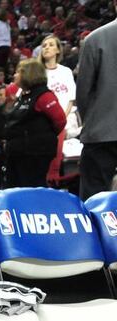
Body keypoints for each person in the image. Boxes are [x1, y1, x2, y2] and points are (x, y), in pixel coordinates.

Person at [3, 58, 66, 188]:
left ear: (29, 74)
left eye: (18, 72)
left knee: (30, 187)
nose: (15, 75)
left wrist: (43, 136)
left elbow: (60, 120)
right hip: (18, 152)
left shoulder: (44, 96)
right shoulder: (24, 95)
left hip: (35, 154)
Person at [76, 1, 117, 198]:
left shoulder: (95, 38)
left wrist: (90, 121)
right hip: (101, 132)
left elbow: (83, 91)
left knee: (94, 199)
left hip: (100, 132)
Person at [39, 35, 76, 122]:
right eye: (44, 46)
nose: (47, 47)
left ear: (58, 50)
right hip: (45, 122)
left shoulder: (66, 71)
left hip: (67, 119)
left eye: (51, 45)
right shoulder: (38, 73)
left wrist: (62, 119)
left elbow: (71, 98)